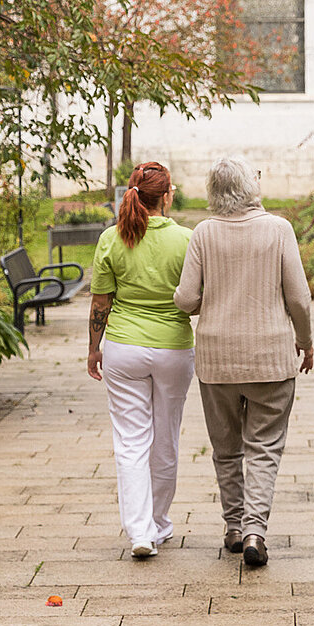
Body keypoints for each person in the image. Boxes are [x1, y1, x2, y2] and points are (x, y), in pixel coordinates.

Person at [173, 157, 313, 568]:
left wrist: (206, 301)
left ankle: (233, 527)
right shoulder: (279, 229)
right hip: (270, 357)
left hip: (217, 361)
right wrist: (304, 341)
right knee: (265, 448)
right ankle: (255, 531)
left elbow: (184, 298)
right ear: (250, 187)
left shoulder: (203, 233)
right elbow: (299, 298)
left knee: (226, 449)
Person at [86, 161, 194, 559]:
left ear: (132, 193)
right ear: (167, 196)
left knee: (131, 442)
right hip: (173, 349)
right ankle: (160, 523)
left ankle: (140, 531)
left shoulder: (112, 238)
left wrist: (94, 348)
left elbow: (101, 301)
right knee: (166, 439)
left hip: (123, 349)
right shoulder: (186, 239)